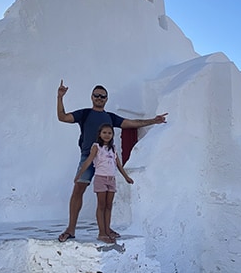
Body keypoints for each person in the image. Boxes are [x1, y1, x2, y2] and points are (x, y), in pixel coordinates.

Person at [57, 80, 168, 242]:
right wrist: (60, 97)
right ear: (92, 97)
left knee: (106, 198)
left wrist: (153, 120)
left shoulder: (110, 117)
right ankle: (71, 229)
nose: (99, 98)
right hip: (88, 156)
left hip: (107, 159)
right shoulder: (85, 113)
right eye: (97, 95)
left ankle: (106, 229)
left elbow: (132, 123)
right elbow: (63, 117)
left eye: (103, 96)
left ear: (106, 99)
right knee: (78, 190)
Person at [74, 124, 133, 242]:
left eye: (109, 133)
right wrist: (79, 175)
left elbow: (118, 165)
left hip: (111, 179)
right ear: (100, 134)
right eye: (104, 132)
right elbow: (88, 161)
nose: (107, 135)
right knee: (101, 205)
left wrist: (126, 177)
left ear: (112, 135)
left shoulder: (113, 148)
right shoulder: (96, 147)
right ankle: (101, 233)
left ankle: (107, 230)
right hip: (100, 178)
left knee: (109, 206)